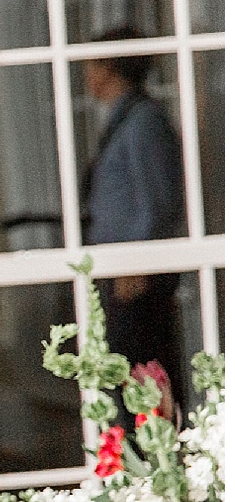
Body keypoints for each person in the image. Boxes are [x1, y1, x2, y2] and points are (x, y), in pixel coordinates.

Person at [80, 31, 186, 389]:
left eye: (91, 65)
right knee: (126, 375)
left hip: (137, 277)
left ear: (109, 67)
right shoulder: (123, 119)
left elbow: (158, 199)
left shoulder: (144, 121)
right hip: (120, 270)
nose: (86, 75)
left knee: (146, 376)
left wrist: (138, 262)